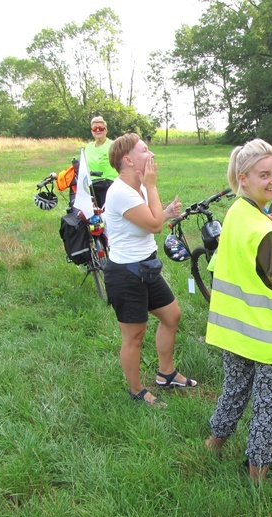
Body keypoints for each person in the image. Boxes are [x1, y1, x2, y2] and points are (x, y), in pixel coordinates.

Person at [204, 139, 272, 483]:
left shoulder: (237, 212)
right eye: (265, 174)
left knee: (234, 389)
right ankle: (257, 475)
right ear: (243, 177)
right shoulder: (264, 229)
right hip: (270, 335)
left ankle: (213, 443)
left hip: (237, 330)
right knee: (268, 407)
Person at [103, 133, 192, 408]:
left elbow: (150, 219)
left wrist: (164, 212)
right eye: (144, 150)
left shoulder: (136, 187)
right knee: (135, 335)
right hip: (126, 274)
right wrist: (152, 188)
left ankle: (166, 373)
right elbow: (153, 226)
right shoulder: (120, 192)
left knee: (171, 316)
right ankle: (137, 390)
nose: (151, 154)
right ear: (127, 160)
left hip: (147, 267)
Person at [84, 116, 119, 209]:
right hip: (91, 185)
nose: (98, 130)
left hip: (109, 185)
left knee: (106, 213)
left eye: (101, 128)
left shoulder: (113, 145)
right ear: (91, 131)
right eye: (95, 128)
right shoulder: (88, 147)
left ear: (106, 130)